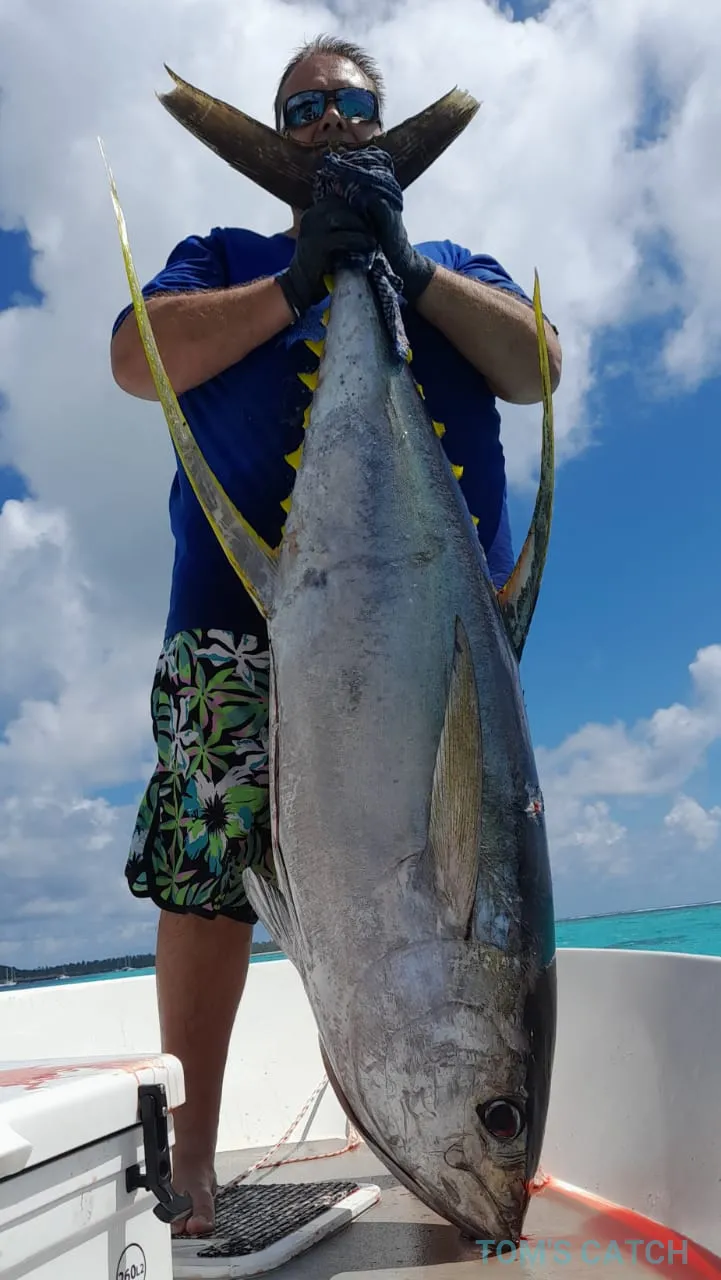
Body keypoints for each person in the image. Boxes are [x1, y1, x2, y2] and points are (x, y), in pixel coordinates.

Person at [110, 34, 562, 1238]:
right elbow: (135, 358)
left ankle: (419, 1165)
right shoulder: (223, 255)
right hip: (234, 620)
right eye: (301, 108)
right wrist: (301, 277)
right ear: (280, 128)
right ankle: (191, 1159)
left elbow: (535, 365)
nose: (326, 124)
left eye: (350, 105)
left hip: (432, 637)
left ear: (379, 119)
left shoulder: (451, 268)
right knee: (208, 882)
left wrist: (400, 267)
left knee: (395, 869)